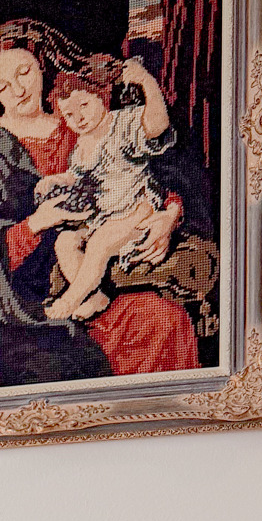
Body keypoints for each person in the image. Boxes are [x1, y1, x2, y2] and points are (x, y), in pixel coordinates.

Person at [0, 19, 198, 389]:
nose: (17, 90)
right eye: (2, 86)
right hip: (25, 309)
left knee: (164, 320)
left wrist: (170, 214)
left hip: (112, 279)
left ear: (42, 64)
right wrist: (33, 224)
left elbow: (154, 170)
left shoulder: (80, 116)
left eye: (24, 72)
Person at [38, 56, 177, 322]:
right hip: (102, 215)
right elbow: (77, 175)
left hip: (134, 210)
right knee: (64, 242)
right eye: (69, 114)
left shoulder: (122, 123)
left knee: (100, 243)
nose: (78, 118)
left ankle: (70, 298)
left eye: (84, 105)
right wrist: (58, 180)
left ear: (102, 96)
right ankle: (93, 296)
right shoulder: (82, 144)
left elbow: (157, 125)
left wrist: (145, 81)